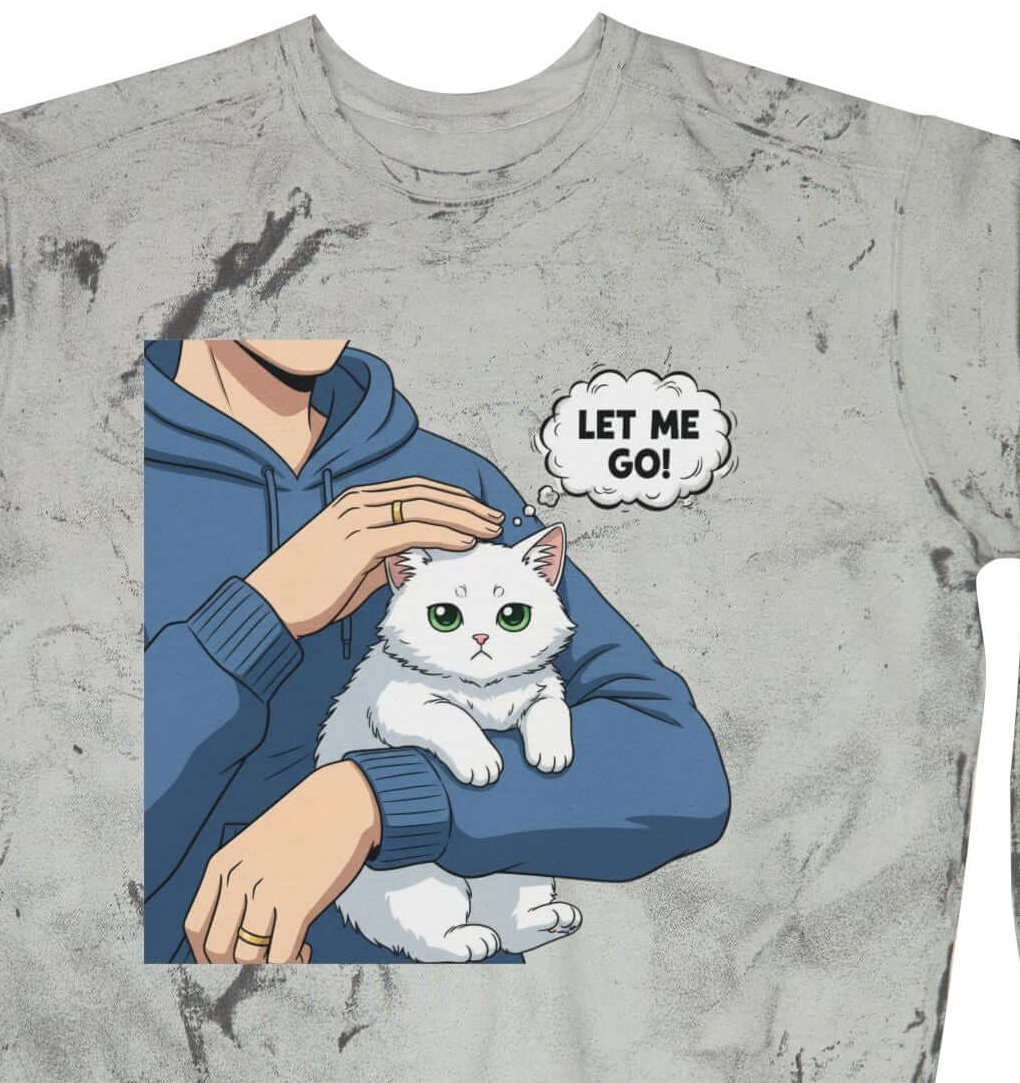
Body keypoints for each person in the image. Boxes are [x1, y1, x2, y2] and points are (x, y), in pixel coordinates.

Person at [144, 338, 729, 962]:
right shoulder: (108, 473)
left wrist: (375, 799)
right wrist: (261, 615)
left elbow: (681, 771)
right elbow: (85, 826)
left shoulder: (450, 482)